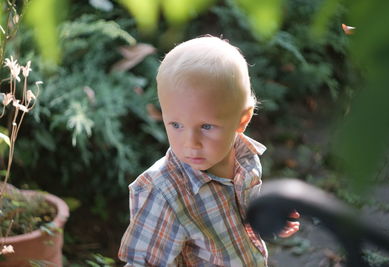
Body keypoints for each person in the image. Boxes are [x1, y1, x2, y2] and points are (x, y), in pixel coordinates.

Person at [118, 36, 300, 266]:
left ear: (242, 120)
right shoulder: (164, 193)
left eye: (206, 127)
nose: (190, 143)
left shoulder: (245, 157)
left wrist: (268, 220)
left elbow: (242, 215)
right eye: (176, 125)